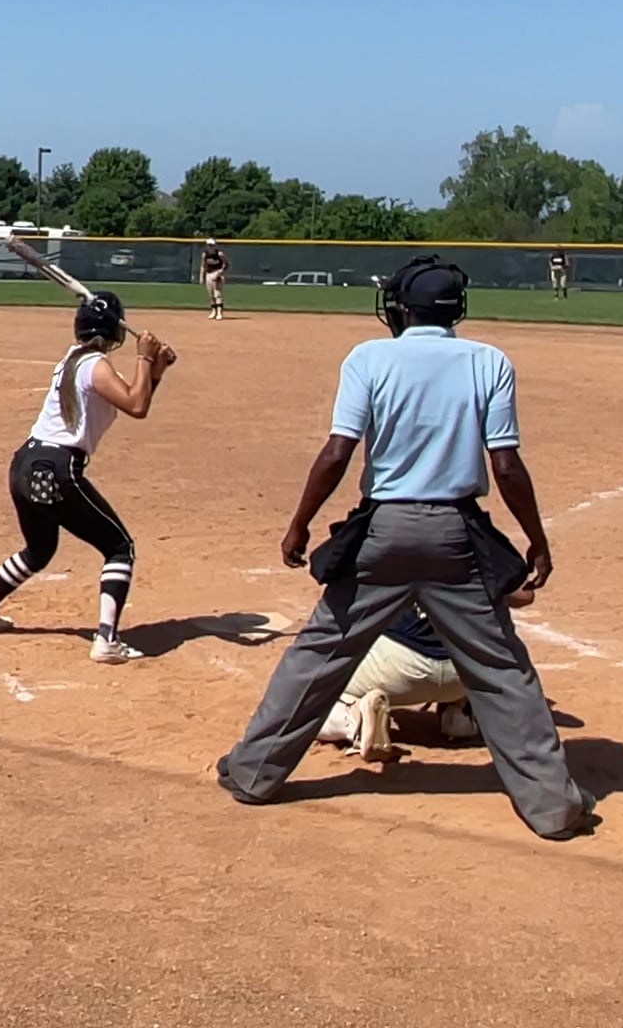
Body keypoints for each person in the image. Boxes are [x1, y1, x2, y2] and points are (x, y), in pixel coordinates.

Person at [215, 255, 598, 841]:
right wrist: (537, 541)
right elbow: (505, 464)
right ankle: (553, 807)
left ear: (401, 308)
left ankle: (253, 772)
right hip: (455, 537)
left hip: (382, 533)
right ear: (455, 310)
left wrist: (300, 524)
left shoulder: (369, 358)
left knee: (318, 655)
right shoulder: (489, 362)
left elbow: (338, 452)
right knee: (501, 670)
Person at [0, 292, 175, 664]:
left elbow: (133, 396)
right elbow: (137, 406)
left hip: (25, 464)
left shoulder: (75, 361)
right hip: (56, 468)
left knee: (39, 550)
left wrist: (156, 369)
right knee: (119, 547)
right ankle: (107, 640)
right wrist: (144, 357)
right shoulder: (95, 366)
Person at [319, 589, 537, 761]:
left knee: (316, 691)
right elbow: (523, 596)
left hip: (398, 665)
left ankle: (353, 722)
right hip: (466, 670)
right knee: (469, 629)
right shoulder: (476, 546)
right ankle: (459, 716)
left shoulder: (383, 547)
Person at [201, 237, 229, 320]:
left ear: (215, 245)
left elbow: (226, 264)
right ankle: (213, 311)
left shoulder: (220, 254)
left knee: (217, 294)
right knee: (210, 295)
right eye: (209, 245)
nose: (210, 247)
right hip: (209, 274)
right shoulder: (205, 254)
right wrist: (202, 277)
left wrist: (219, 272)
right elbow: (203, 266)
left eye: (212, 245)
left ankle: (219, 312)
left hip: (218, 274)